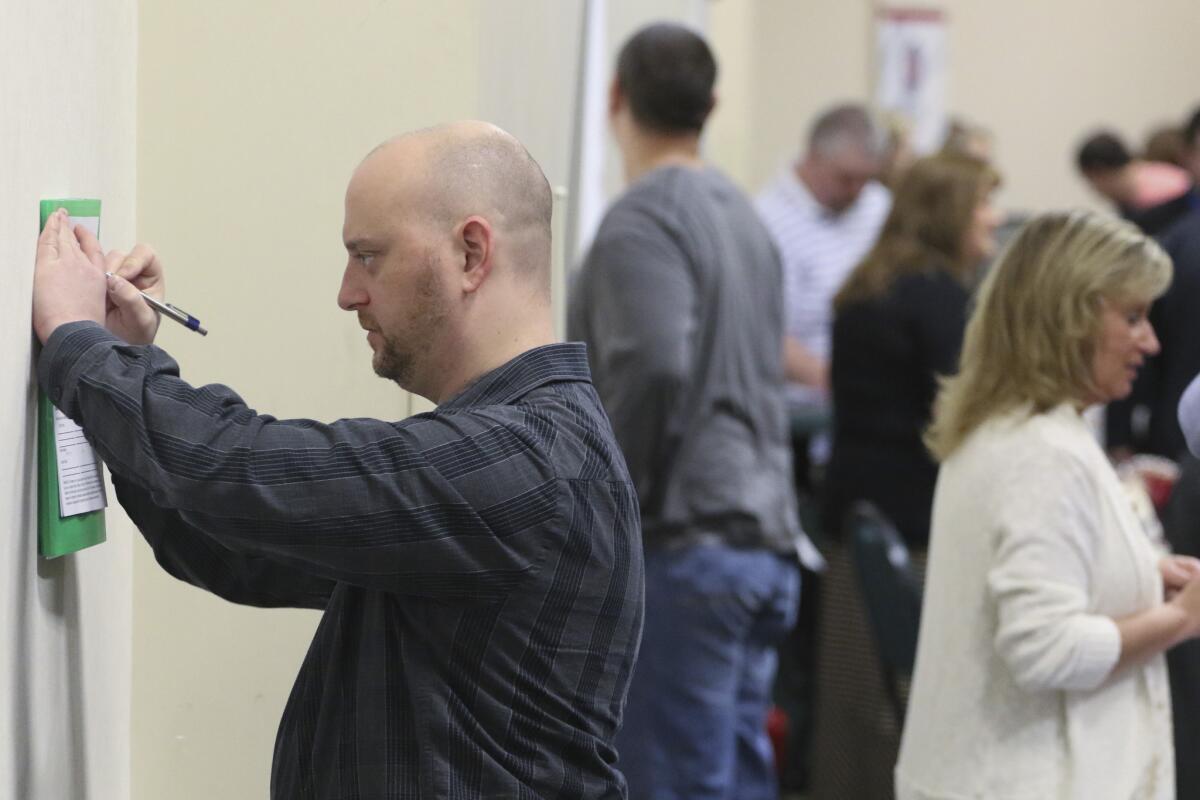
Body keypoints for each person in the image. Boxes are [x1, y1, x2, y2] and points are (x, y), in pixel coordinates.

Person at [31, 122, 644, 800]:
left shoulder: (529, 465)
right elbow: (232, 546)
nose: (347, 293)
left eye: (369, 256)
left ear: (471, 253)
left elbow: (237, 469)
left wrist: (79, 345)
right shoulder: (507, 457)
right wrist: (124, 363)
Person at [569, 23, 802, 800]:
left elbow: (655, 364)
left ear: (615, 98)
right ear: (711, 104)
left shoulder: (643, 220)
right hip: (760, 542)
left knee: (671, 782)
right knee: (732, 778)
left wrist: (611, 505)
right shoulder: (747, 219)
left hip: (686, 548)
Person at [896, 210, 1200, 800]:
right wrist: (1183, 618)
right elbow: (1046, 650)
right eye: (1133, 317)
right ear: (1070, 318)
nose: (1151, 341)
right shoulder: (1042, 454)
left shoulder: (1007, 427)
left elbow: (1036, 583)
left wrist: (1141, 575)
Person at [807, 153, 1000, 799]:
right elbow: (964, 416)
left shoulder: (865, 285)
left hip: (853, 517)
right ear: (949, 214)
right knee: (908, 711)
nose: (992, 219)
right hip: (917, 530)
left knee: (851, 704)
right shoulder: (941, 299)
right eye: (981, 206)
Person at [756, 103, 891, 407]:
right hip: (801, 406)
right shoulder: (766, 222)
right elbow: (764, 336)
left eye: (866, 178)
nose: (857, 190)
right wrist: (843, 381)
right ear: (813, 158)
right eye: (846, 178)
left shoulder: (878, 206)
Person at [1076, 130, 1195, 236]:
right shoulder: (1129, 201)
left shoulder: (1174, 190)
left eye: (1091, 181)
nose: (1094, 190)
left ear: (1099, 171)